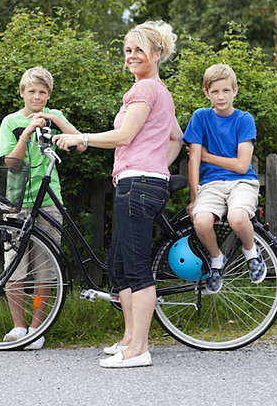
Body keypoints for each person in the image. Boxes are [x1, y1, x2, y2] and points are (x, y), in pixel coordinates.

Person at [54, 21, 183, 368]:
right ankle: (129, 339)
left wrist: (82, 139)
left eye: (139, 50)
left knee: (138, 270)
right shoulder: (158, 91)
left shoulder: (143, 91)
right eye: (128, 50)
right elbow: (175, 139)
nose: (131, 56)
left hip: (138, 184)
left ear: (157, 54)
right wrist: (157, 165)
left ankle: (139, 349)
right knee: (121, 267)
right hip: (142, 181)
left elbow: (124, 136)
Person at [0, 66, 85, 349]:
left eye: (43, 93)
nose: (37, 97)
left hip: (48, 201)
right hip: (16, 202)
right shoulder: (10, 122)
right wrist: (28, 131)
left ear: (49, 95)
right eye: (32, 91)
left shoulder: (53, 116)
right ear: (22, 93)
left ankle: (37, 328)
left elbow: (80, 144)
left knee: (46, 270)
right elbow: (10, 164)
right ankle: (18, 327)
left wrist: (53, 119)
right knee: (14, 268)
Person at [183, 63, 266, 294]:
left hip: (242, 182)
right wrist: (194, 197)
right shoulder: (200, 117)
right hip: (211, 184)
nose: (221, 96)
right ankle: (216, 259)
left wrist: (208, 155)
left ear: (235, 90)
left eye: (226, 91)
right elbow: (194, 161)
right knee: (200, 221)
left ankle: (251, 252)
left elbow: (241, 165)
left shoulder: (244, 119)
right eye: (215, 91)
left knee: (237, 217)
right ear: (206, 93)